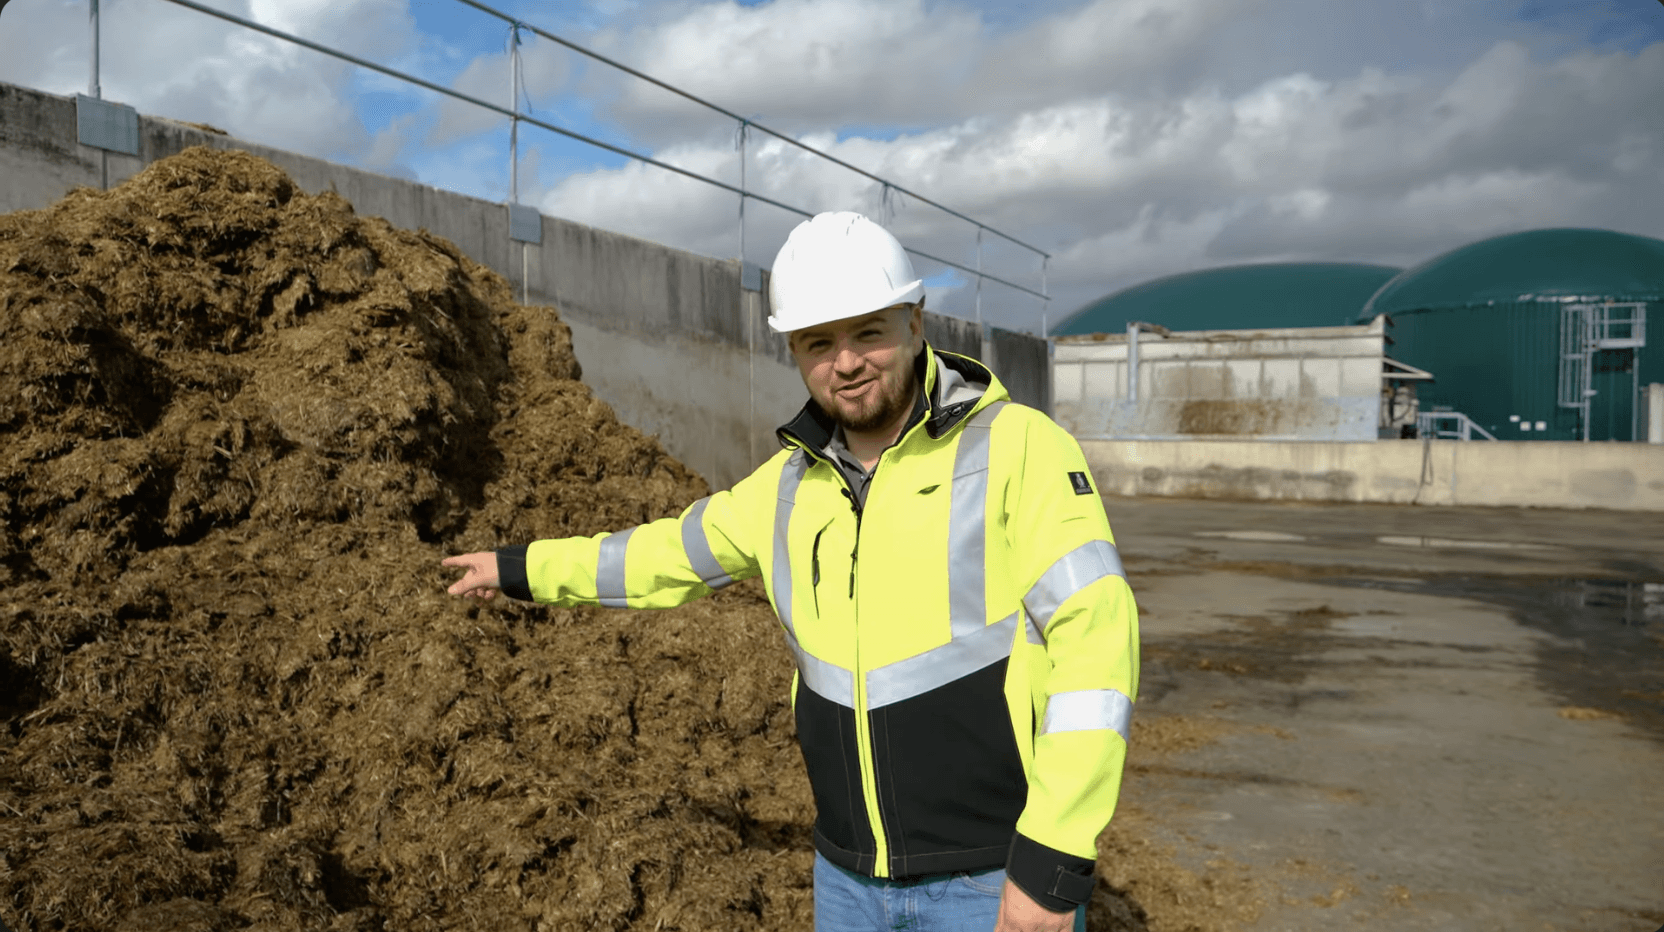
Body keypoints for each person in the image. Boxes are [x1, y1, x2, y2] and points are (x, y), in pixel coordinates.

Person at [444, 211, 1139, 932]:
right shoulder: (786, 488)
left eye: (868, 331)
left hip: (988, 879)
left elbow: (1096, 648)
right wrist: (519, 567)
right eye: (818, 342)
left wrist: (1051, 865)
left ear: (915, 322)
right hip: (846, 882)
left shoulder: (1018, 450)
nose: (846, 362)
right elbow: (659, 556)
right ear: (794, 353)